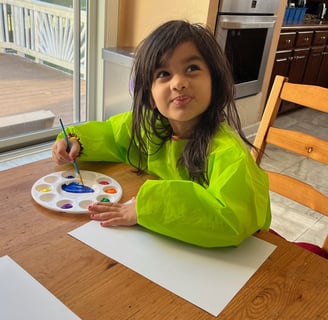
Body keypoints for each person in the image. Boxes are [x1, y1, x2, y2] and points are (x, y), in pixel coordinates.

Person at [52, 20, 271, 248]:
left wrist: (144, 207)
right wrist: (75, 141)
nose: (179, 83)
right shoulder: (148, 126)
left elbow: (231, 219)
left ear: (215, 81)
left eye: (192, 68)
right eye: (164, 73)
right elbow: (110, 134)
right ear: (149, 95)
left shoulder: (229, 153)